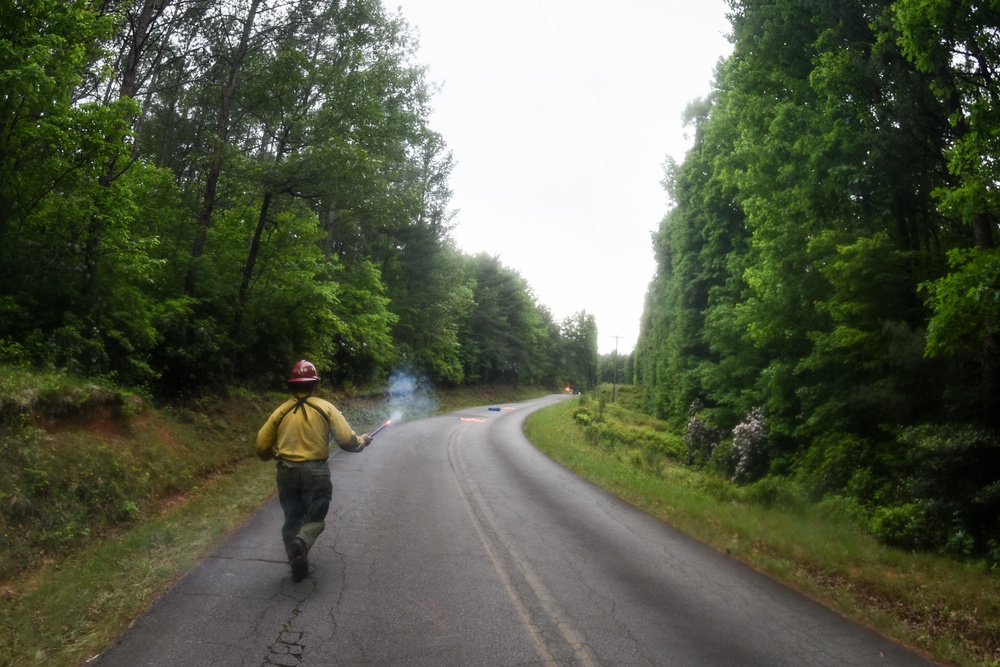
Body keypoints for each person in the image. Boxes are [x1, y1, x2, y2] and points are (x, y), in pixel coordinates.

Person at [256, 360, 374, 582]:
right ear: (314, 384)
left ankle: (296, 560)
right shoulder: (326, 408)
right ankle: (302, 542)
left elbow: (261, 445)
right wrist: (362, 442)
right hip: (316, 472)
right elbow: (347, 440)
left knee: (292, 517)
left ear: (292, 385)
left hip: (286, 472)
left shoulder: (281, 411)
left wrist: (272, 455)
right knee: (316, 517)